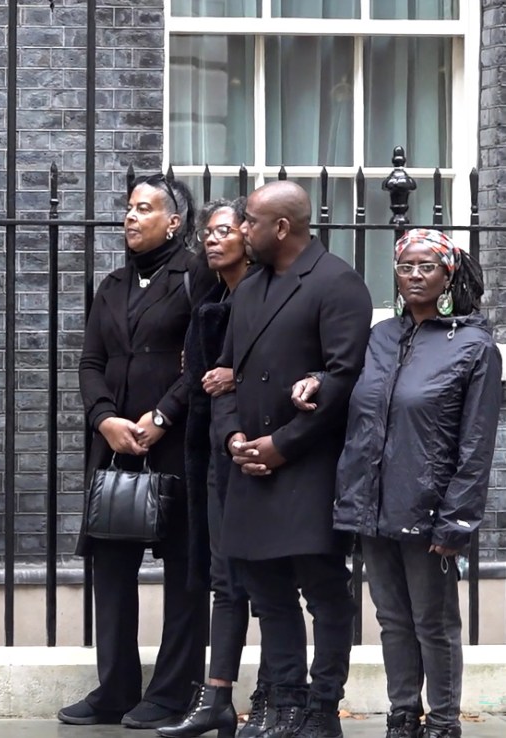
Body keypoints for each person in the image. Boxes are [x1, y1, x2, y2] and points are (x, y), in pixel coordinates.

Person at [306, 229, 499, 738]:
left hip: (430, 508)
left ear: (447, 275)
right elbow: (354, 392)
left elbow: (476, 446)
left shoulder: (475, 346)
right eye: (406, 267)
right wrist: (318, 381)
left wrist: (456, 519)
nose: (415, 276)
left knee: (433, 623)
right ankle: (402, 713)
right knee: (391, 617)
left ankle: (442, 721)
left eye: (426, 267)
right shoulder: (381, 337)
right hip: (372, 503)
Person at [212, 181, 372, 738]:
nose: (241, 229)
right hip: (249, 465)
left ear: (281, 227)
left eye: (250, 221)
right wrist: (234, 439)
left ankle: (322, 708)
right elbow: (226, 376)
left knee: (325, 593)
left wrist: (281, 446)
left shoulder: (337, 283)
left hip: (307, 468)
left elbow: (346, 380)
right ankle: (282, 705)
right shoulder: (249, 287)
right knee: (268, 593)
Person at [58, 174, 217, 728]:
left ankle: (173, 692)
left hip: (175, 444)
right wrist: (104, 419)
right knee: (112, 564)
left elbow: (205, 359)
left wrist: (161, 416)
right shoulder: (112, 284)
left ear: (173, 221)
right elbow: (90, 362)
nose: (129, 217)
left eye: (143, 208)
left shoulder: (198, 277)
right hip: (116, 445)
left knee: (183, 569)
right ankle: (117, 688)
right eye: (127, 208)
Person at [158, 198, 271, 738]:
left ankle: (277, 691)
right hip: (214, 451)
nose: (212, 239)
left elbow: (282, 368)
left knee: (269, 578)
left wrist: (235, 377)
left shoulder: (265, 294)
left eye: (224, 230)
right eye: (208, 231)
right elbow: (199, 379)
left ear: (249, 236)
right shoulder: (209, 299)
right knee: (224, 578)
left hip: (262, 452)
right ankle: (217, 696)